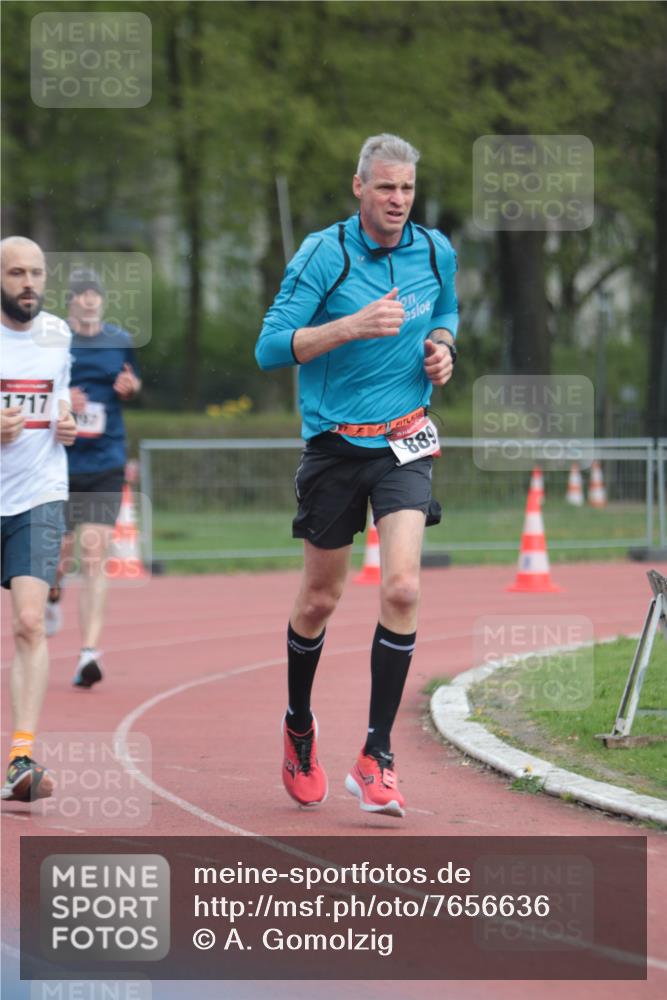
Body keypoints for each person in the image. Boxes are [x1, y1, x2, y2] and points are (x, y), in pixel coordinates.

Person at [255, 133, 459, 817]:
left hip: (406, 440)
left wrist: (442, 347)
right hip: (334, 448)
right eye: (385, 188)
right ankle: (299, 726)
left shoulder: (434, 250)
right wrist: (350, 326)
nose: (398, 200)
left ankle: (376, 755)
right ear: (358, 187)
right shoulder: (325, 253)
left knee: (401, 587)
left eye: (406, 188)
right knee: (319, 600)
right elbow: (269, 347)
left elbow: (448, 312)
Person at [0, 236, 77, 801]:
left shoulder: (58, 334)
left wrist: (67, 418)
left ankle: (20, 757)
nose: (28, 283)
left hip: (38, 493)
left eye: (36, 273)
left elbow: (61, 397)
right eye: (15, 274)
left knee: (30, 623)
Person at [46, 269, 141, 688]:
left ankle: (88, 652)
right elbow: (35, 389)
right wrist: (64, 399)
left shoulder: (119, 340)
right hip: (57, 461)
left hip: (106, 458)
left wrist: (130, 386)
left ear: (102, 301)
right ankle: (51, 589)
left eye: (95, 295)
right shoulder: (52, 340)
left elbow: (132, 381)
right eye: (81, 295)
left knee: (93, 550)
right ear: (70, 302)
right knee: (61, 553)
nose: (88, 301)